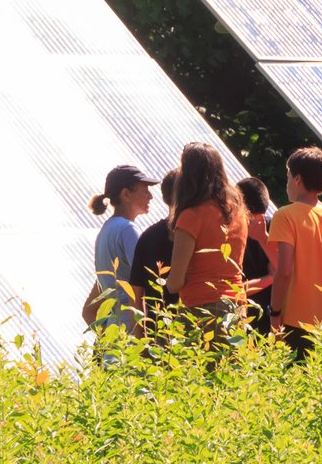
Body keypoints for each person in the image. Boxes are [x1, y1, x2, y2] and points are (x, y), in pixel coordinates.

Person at [268, 147, 322, 360]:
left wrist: (275, 313)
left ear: (297, 179)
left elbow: (284, 272)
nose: (287, 182)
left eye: (288, 176)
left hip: (295, 321)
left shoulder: (285, 216)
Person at [162, 142, 248, 336]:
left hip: (201, 310)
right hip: (236, 307)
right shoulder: (237, 211)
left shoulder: (191, 216)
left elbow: (175, 282)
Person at [85, 164, 156, 329]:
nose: (150, 196)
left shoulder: (105, 231)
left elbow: (88, 310)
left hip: (114, 335)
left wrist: (106, 340)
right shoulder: (127, 229)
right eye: (145, 190)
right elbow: (142, 282)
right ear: (126, 194)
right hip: (132, 330)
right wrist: (143, 340)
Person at [130, 168, 180, 312]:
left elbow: (135, 298)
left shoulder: (148, 237)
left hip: (156, 329)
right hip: (194, 329)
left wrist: (139, 334)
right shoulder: (204, 237)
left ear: (164, 199)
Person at [238, 176, 276, 333]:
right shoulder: (230, 230)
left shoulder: (273, 227)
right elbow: (275, 273)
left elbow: (283, 270)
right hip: (241, 314)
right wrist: (271, 278)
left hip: (267, 315)